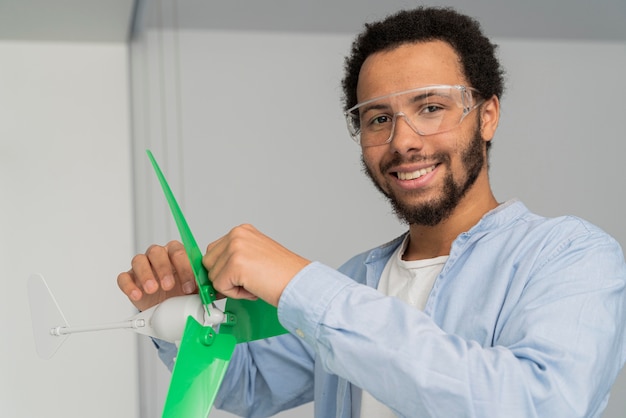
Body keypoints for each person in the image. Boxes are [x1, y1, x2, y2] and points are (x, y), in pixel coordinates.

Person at [117, 6, 626, 417]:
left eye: (431, 108)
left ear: (487, 116)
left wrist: (301, 284)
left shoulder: (573, 257)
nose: (403, 141)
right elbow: (253, 386)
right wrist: (181, 315)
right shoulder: (357, 279)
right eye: (379, 118)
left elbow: (537, 405)